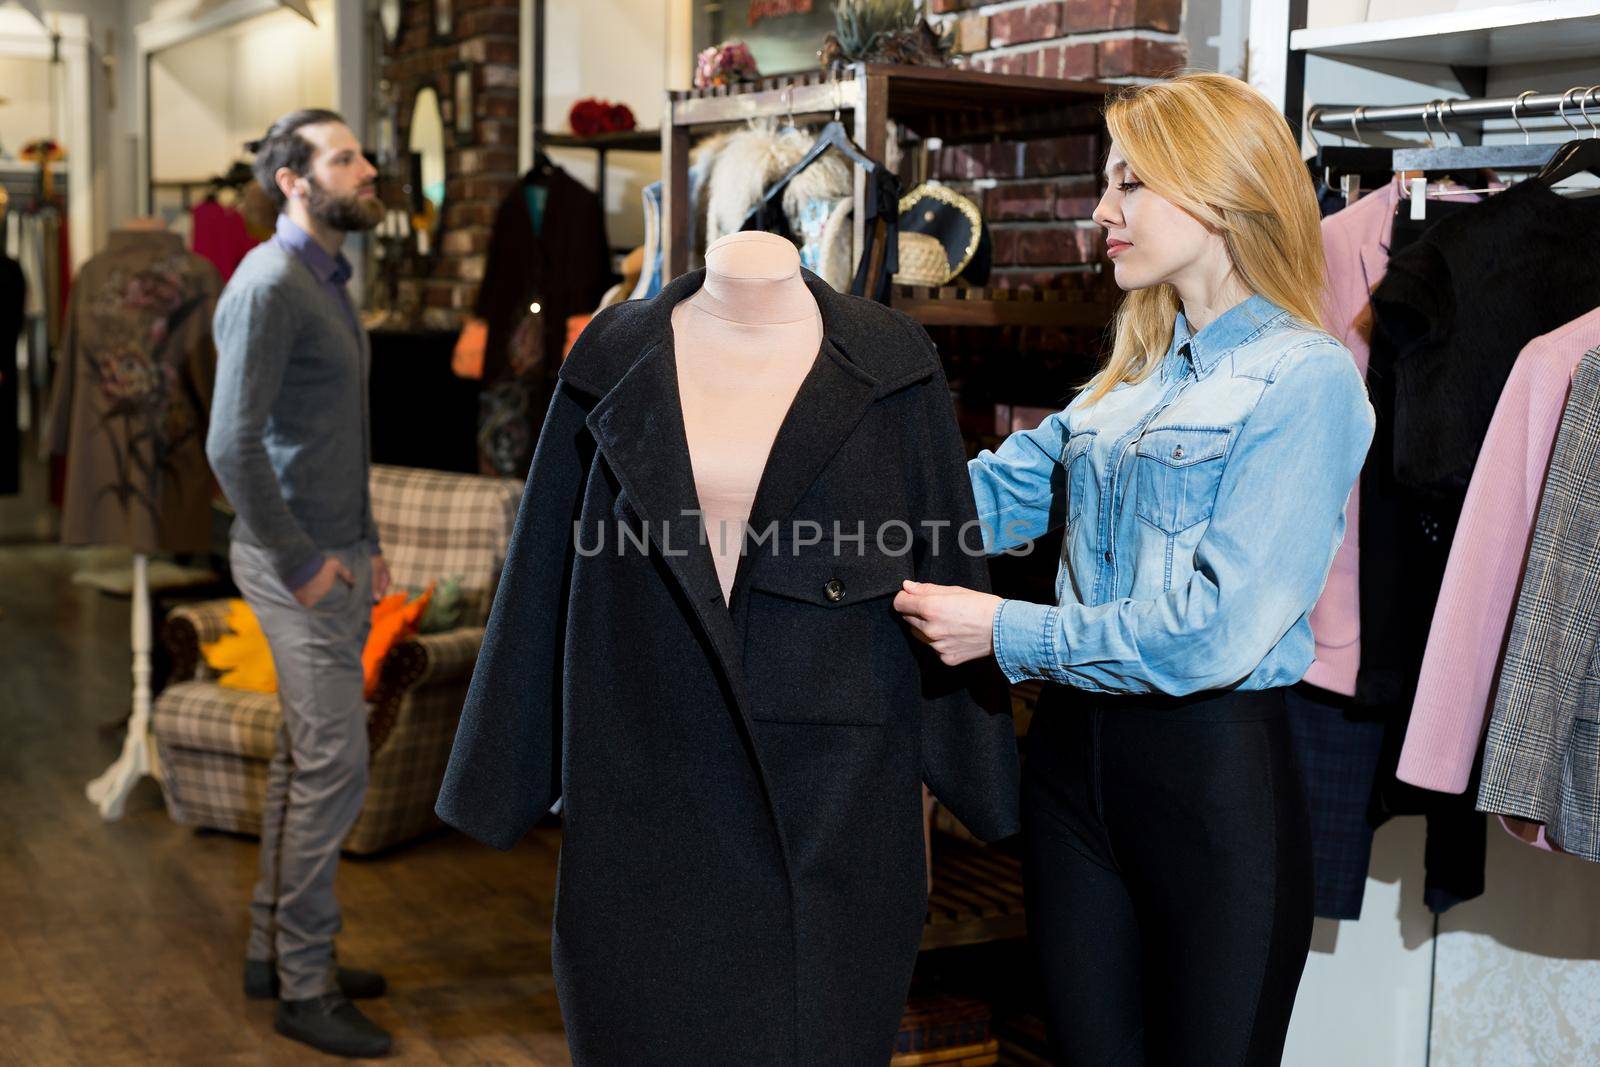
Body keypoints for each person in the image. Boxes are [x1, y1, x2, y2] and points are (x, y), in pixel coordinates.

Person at [893, 72, 1375, 1065]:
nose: (1100, 212)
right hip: (1071, 774)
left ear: (1219, 190)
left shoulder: (1306, 378)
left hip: (1210, 784)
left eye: (1131, 183)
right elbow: (966, 505)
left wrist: (1001, 630)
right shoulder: (1122, 384)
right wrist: (793, 488)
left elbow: (1214, 628)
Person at [206, 108, 392, 1059]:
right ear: (292, 179)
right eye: (346, 156)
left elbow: (320, 434)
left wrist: (365, 542)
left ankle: (271, 951)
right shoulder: (270, 282)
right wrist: (304, 562)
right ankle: (305, 986)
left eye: (362, 153)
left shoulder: (329, 276)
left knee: (303, 762)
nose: (368, 168)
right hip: (296, 566)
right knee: (335, 765)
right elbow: (230, 445)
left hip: (339, 552)